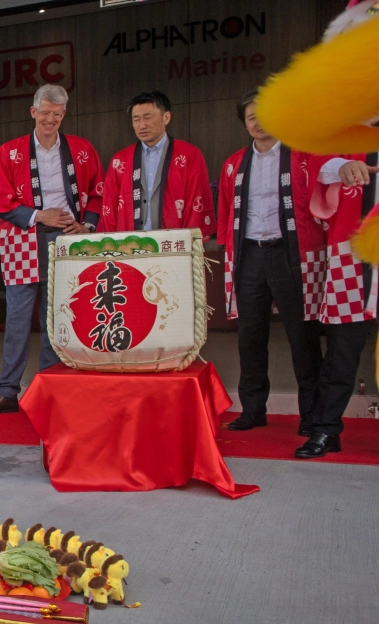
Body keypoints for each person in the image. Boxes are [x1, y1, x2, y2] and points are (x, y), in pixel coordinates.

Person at [0, 85, 104, 416]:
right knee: (17, 316)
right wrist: (37, 215)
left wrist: (86, 226)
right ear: (33, 112)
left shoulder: (82, 150)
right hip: (22, 238)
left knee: (57, 316)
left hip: (66, 240)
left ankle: (50, 386)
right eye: (45, 113)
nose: (50, 120)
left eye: (57, 114)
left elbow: (98, 193)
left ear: (64, 115)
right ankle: (7, 391)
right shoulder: (11, 151)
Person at [218, 92, 332, 435]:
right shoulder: (233, 163)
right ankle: (253, 410)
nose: (258, 122)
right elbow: (225, 214)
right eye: (251, 117)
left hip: (291, 252)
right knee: (250, 336)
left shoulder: (302, 156)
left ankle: (311, 414)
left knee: (303, 335)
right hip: (249, 253)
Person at [293, 151, 379, 458]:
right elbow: (317, 167)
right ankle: (326, 429)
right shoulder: (351, 133)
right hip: (354, 254)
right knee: (342, 349)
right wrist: (342, 166)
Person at [99, 90, 215, 236]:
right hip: (130, 244)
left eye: (148, 118)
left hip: (173, 243)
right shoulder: (120, 160)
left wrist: (189, 243)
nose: (142, 126)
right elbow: (109, 207)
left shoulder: (189, 154)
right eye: (136, 119)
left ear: (166, 117)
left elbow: (197, 201)